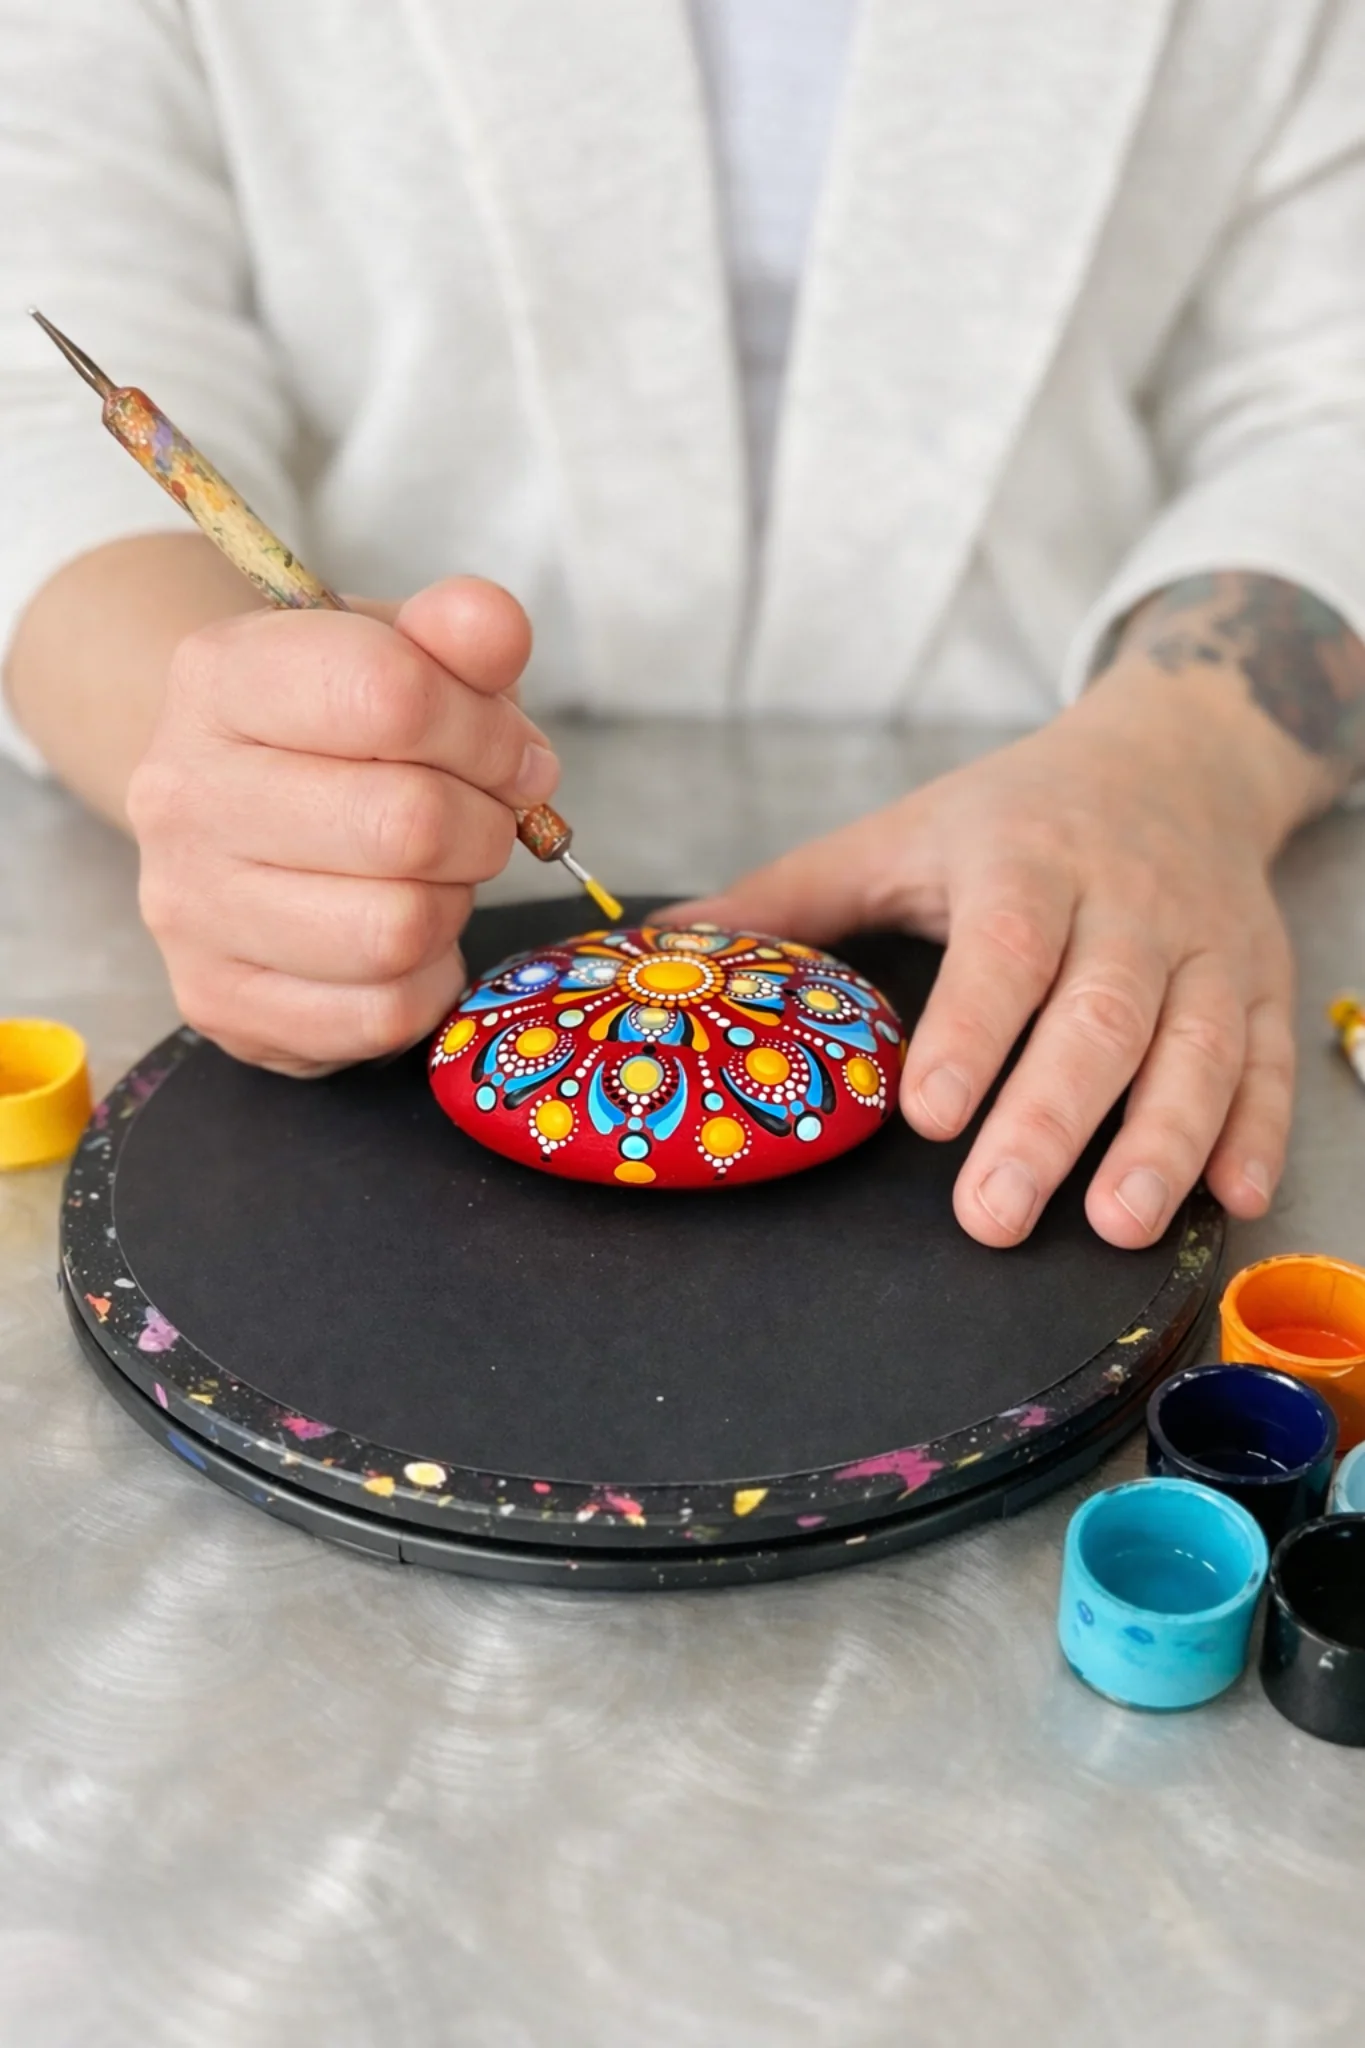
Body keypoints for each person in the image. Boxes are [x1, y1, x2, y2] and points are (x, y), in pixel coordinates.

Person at [3, 0, 1364, 1253]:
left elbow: (1332, 397)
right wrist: (229, 747)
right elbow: (34, 393)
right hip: (405, 844)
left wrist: (1184, 759)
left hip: (1070, 790)